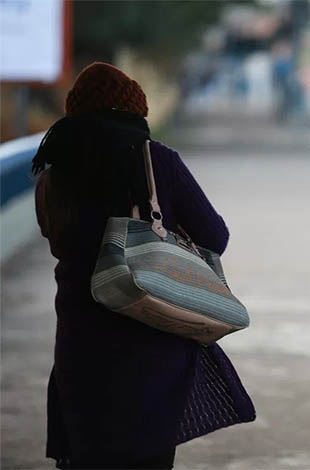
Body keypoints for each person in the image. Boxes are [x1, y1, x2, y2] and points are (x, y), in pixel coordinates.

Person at [32, 63, 255, 469]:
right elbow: (214, 236)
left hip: (80, 344)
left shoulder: (53, 170)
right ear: (136, 110)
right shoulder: (156, 161)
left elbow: (56, 239)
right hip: (151, 339)